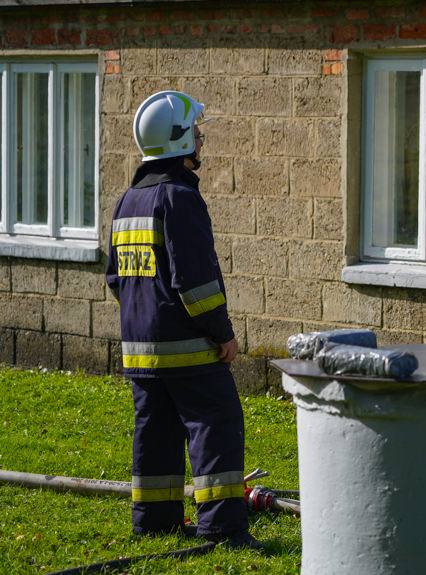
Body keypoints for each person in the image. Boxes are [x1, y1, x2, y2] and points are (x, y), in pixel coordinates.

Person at [105, 91, 262, 550]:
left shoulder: (127, 200)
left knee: (155, 430)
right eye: (195, 131)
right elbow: (194, 282)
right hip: (190, 348)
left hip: (140, 350)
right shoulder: (179, 198)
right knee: (216, 421)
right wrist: (223, 333)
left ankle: (154, 522)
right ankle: (223, 527)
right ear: (178, 141)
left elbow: (116, 279)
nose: (200, 138)